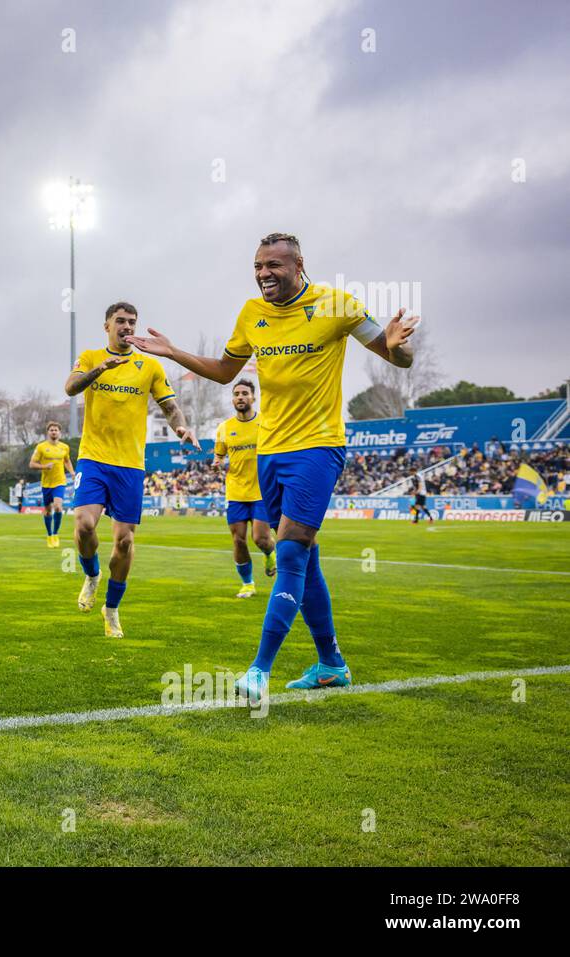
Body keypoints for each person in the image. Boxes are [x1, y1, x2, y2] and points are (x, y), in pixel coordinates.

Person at [132, 232, 417, 700]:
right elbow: (226, 371)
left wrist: (399, 345)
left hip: (318, 447)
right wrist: (173, 351)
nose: (264, 273)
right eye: (258, 266)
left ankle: (258, 669)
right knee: (307, 558)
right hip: (270, 451)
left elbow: (396, 356)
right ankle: (331, 664)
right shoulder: (251, 314)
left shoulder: (337, 305)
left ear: (299, 264)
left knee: (289, 550)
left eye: (274, 265)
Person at [64, 302, 196, 639]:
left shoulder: (149, 365)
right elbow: (70, 387)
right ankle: (92, 575)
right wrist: (99, 371)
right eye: (120, 321)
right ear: (106, 325)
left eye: (132, 322)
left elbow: (170, 406)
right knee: (84, 525)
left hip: (130, 465)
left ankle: (111, 610)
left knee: (123, 542)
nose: (126, 326)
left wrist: (181, 428)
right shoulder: (92, 357)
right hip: (93, 458)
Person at [212, 380, 275, 596]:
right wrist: (217, 463)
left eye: (244, 393)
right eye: (236, 393)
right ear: (233, 399)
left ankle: (269, 554)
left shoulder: (266, 423)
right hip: (236, 492)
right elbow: (219, 454)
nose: (240, 397)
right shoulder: (224, 428)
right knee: (238, 540)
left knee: (260, 538)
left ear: (253, 398)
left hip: (262, 491)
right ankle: (248, 584)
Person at [29, 421, 74, 547]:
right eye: (51, 430)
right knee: (48, 511)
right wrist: (44, 466)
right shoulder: (41, 447)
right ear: (48, 432)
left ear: (60, 432)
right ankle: (49, 535)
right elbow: (32, 464)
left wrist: (72, 472)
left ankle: (55, 534)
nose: (54, 432)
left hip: (60, 482)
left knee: (58, 507)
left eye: (56, 430)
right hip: (46, 484)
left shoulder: (64, 447)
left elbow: (67, 461)